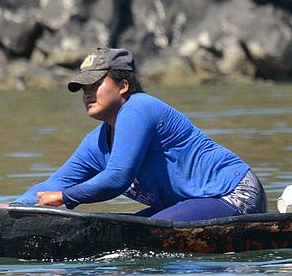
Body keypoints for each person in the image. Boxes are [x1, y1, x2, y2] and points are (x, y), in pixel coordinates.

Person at [15, 47, 267, 219]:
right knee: (116, 234)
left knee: (134, 236)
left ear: (124, 86)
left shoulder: (140, 108)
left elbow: (116, 179)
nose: (88, 93)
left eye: (96, 84)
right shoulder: (96, 143)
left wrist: (64, 198)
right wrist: (11, 208)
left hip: (233, 194)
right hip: (185, 204)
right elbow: (55, 183)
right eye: (84, 88)